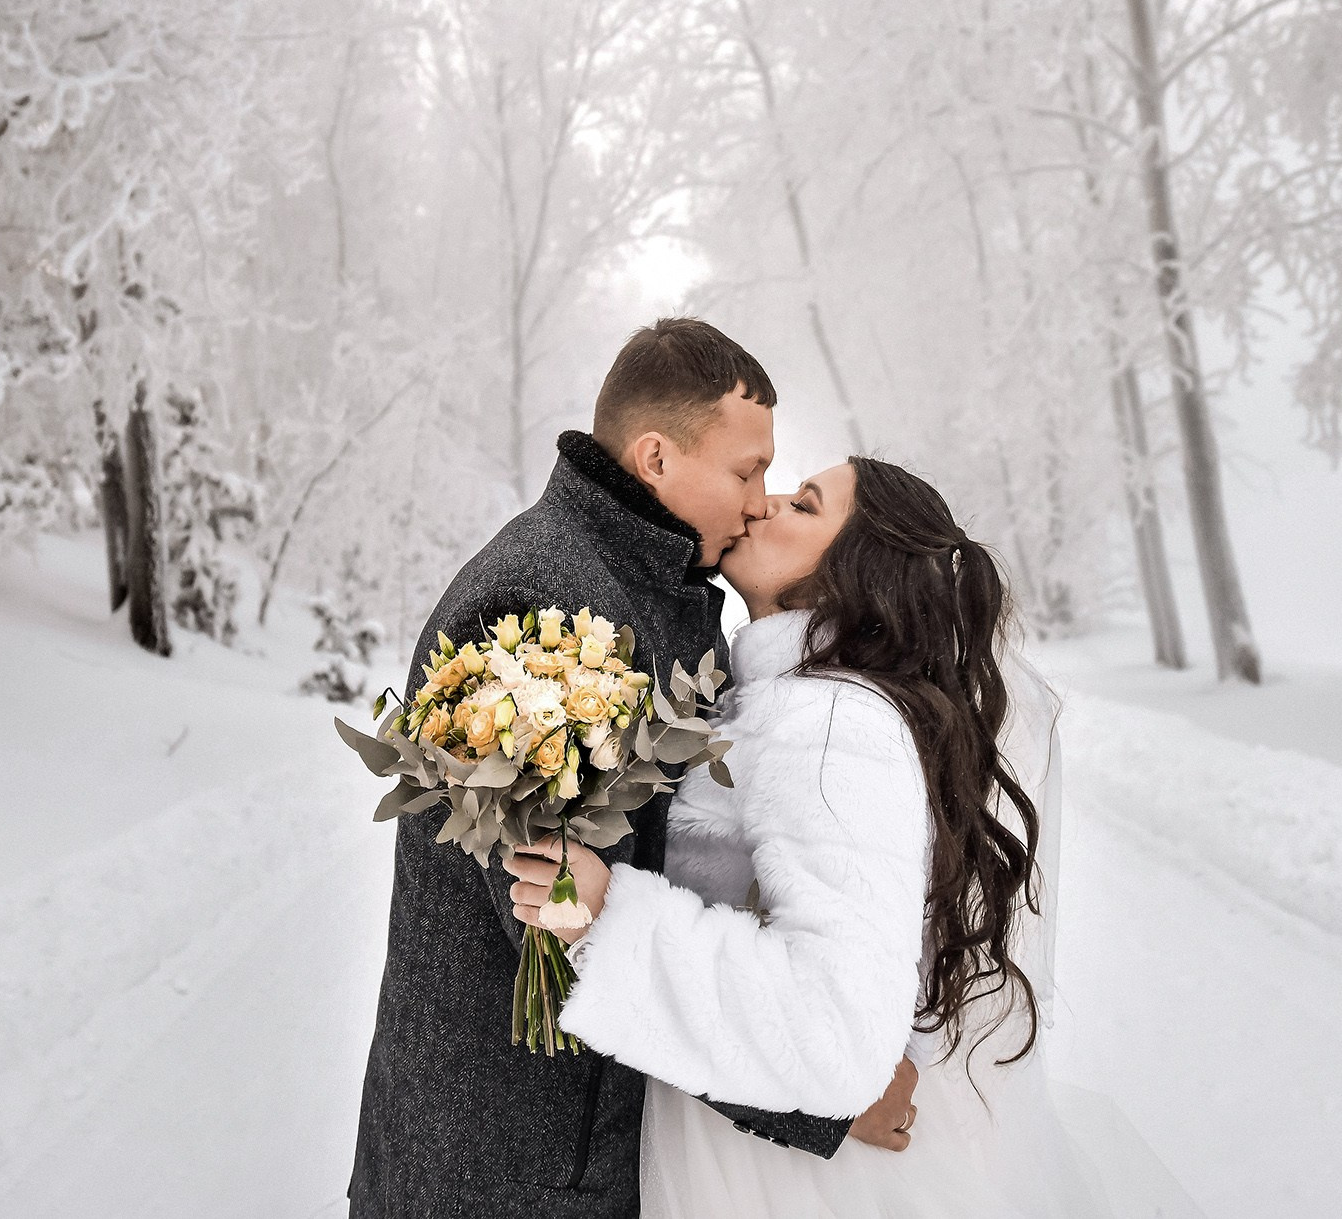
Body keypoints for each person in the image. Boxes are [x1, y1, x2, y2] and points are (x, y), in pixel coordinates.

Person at [509, 456, 1205, 1218]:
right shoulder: (781, 701)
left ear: (851, 578)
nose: (767, 503)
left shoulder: (831, 723)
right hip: (739, 1138)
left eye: (804, 505)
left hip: (779, 1181)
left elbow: (832, 1028)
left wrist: (612, 919)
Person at [346, 320, 916, 1219]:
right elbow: (558, 925)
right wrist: (822, 1103)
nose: (759, 500)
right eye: (745, 471)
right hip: (496, 1173)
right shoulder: (543, 601)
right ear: (655, 458)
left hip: (576, 1157)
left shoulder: (660, 591)